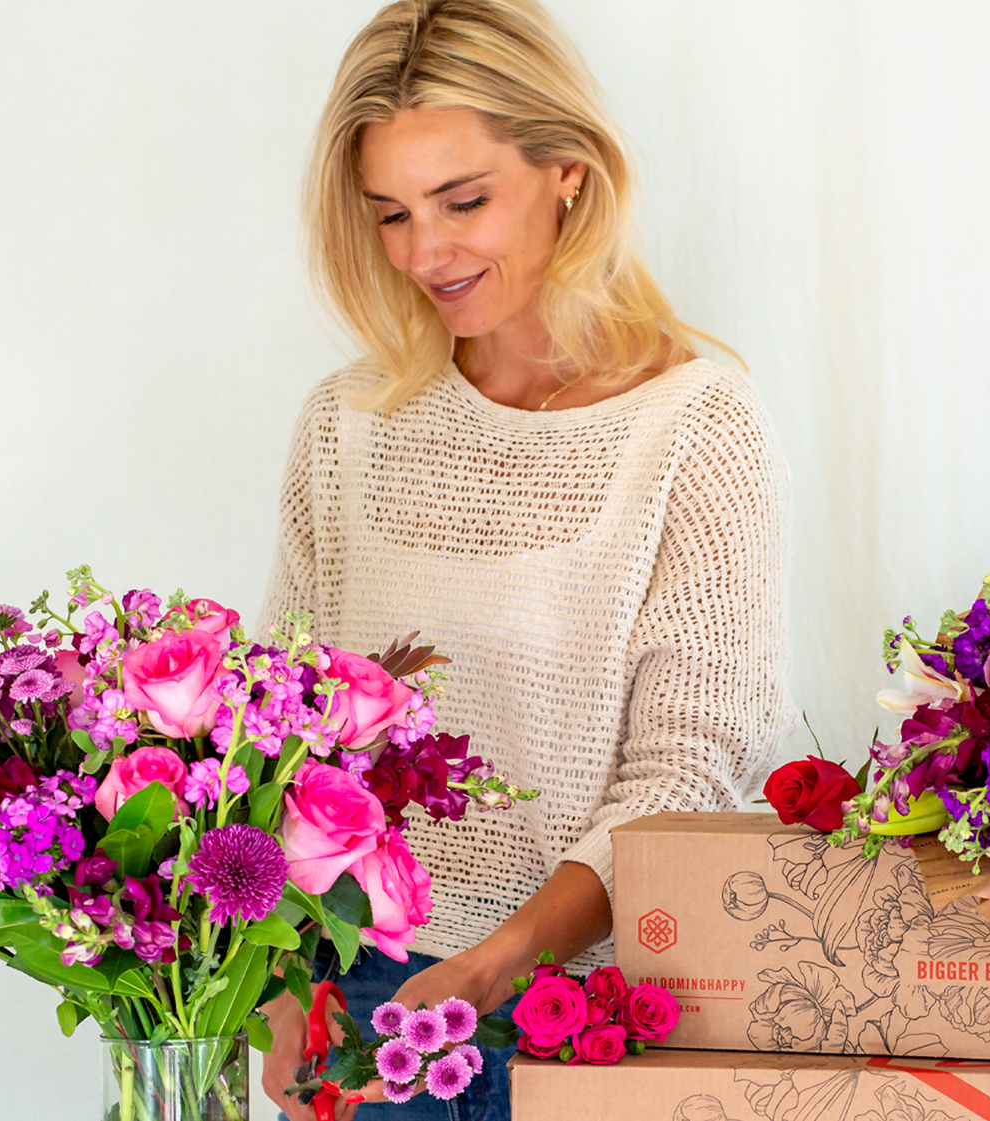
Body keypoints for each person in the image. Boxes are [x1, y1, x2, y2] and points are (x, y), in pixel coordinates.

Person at [257, 2, 788, 1117]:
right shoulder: (348, 422)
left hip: (580, 1020)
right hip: (351, 1012)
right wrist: (272, 989)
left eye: (462, 201)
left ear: (569, 174)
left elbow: (687, 773)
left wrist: (493, 963)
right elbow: (277, 731)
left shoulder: (692, 424)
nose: (424, 252)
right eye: (390, 214)